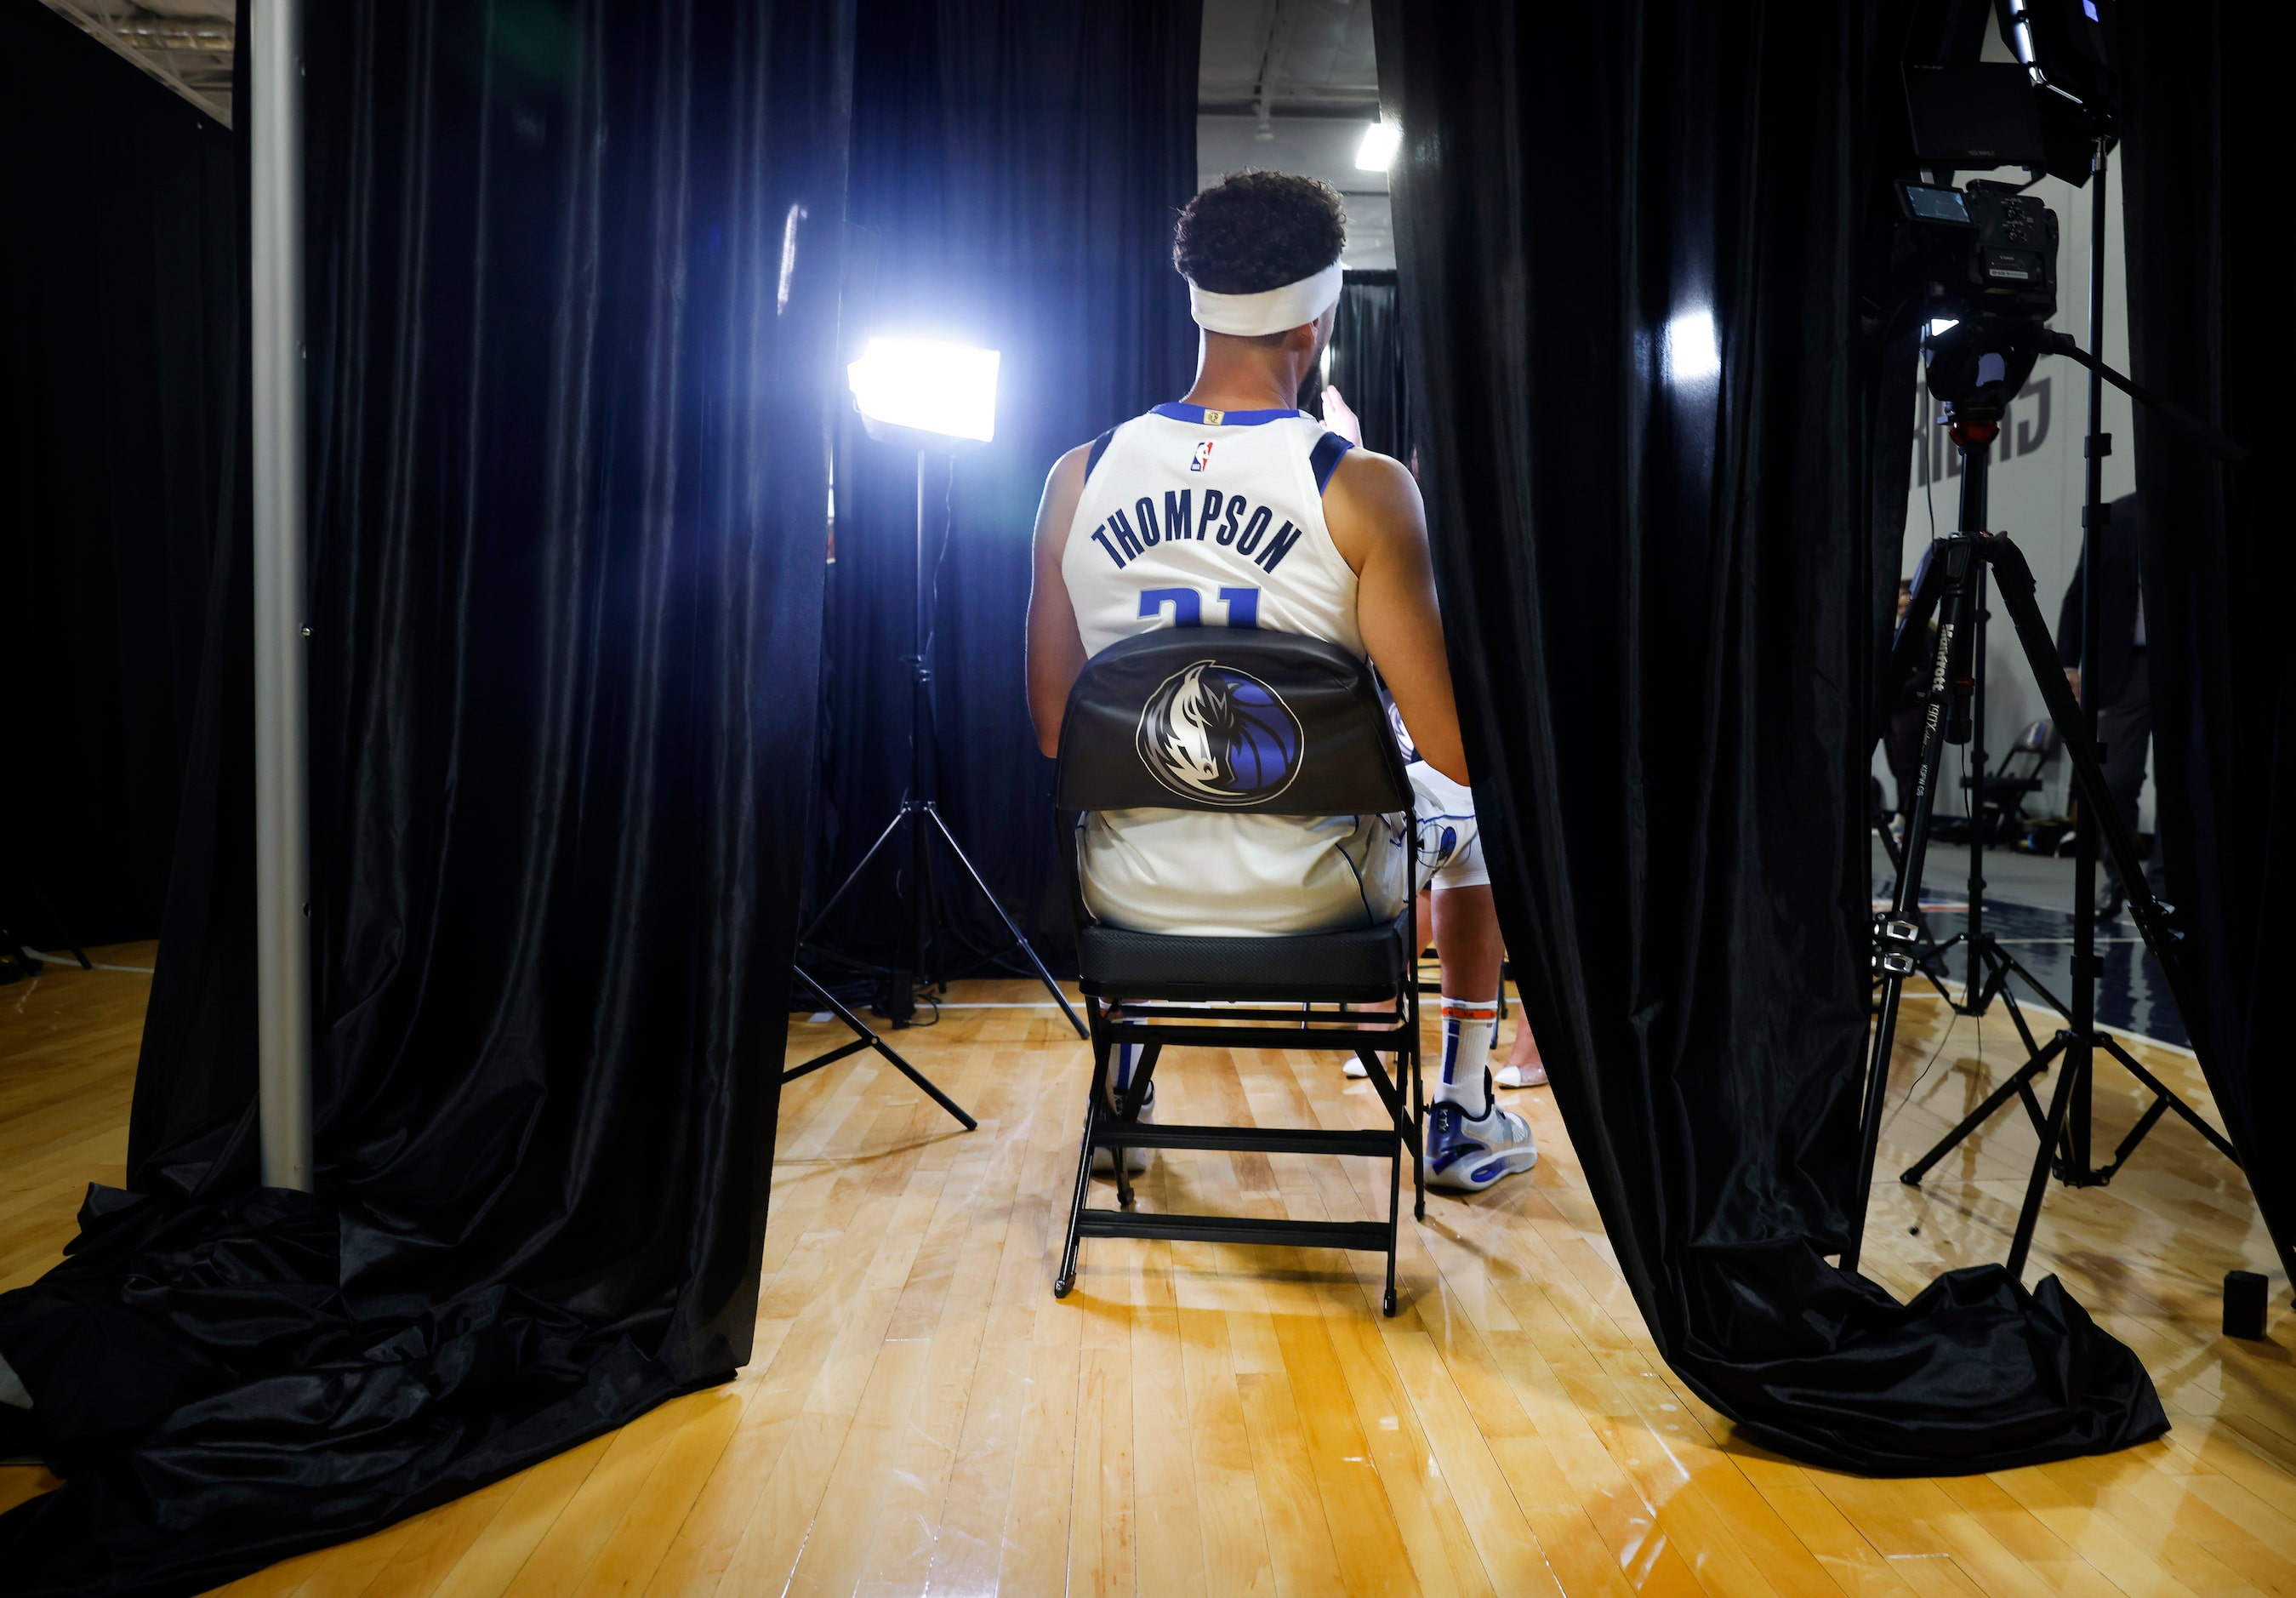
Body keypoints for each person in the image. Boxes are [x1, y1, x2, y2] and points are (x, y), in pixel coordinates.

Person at [1024, 169, 1536, 1193]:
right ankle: (1464, 1108)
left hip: (1128, 895)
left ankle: (1126, 1075)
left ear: (1196, 299)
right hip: (1311, 899)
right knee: (1481, 809)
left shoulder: (1077, 475)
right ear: (1322, 311)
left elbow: (1052, 729)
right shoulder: (1359, 485)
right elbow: (1451, 751)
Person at [1319, 385, 1546, 1093]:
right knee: (1432, 832)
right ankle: (1448, 1082)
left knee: (1495, 843)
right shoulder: (1391, 527)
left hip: (1507, 745)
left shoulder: (1507, 542)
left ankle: (1527, 1052)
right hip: (1418, 751)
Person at [2055, 489, 2155, 916]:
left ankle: (2171, 885)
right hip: (2127, 667)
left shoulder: (2205, 509)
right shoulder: (2115, 516)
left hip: (2191, 662)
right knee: (2114, 779)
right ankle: (2124, 882)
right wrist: (2066, 664)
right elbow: (2079, 594)